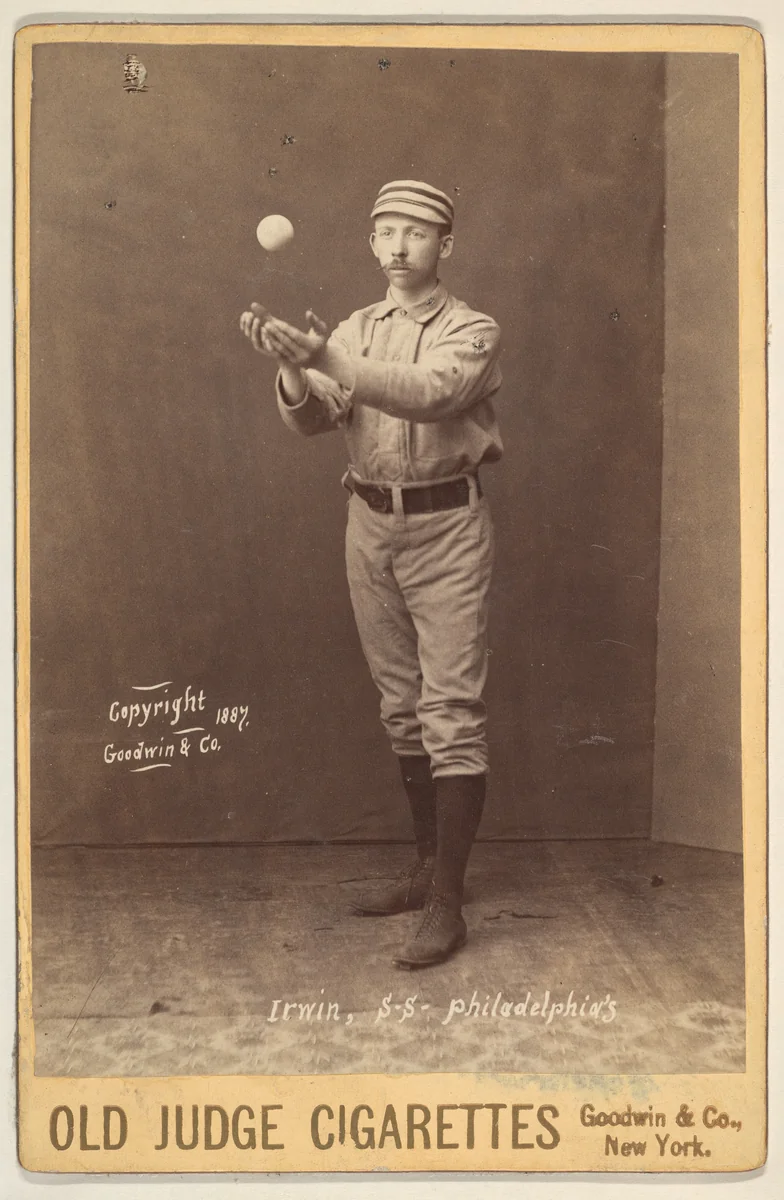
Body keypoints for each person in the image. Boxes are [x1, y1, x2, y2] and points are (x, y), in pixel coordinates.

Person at [239, 180, 503, 968]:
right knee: (401, 708)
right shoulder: (356, 328)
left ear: (444, 246)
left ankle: (450, 906)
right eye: (385, 230)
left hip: (448, 527)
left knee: (450, 710)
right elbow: (318, 415)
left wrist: (329, 356)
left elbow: (432, 393)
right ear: (371, 241)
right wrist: (294, 371)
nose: (397, 246)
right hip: (369, 525)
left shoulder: (474, 328)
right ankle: (425, 870)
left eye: (416, 233)